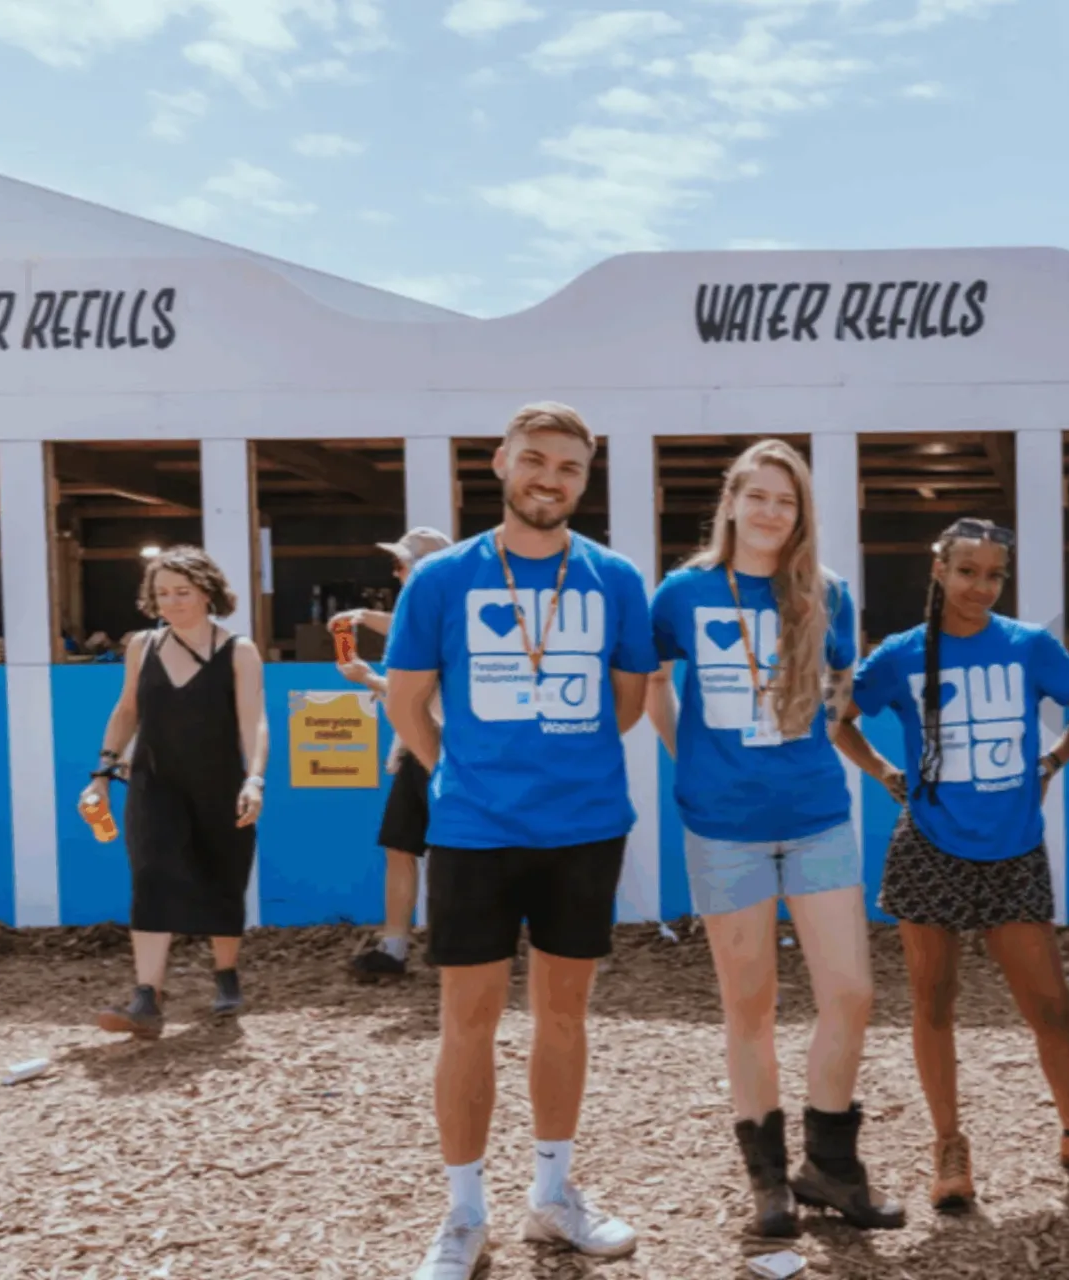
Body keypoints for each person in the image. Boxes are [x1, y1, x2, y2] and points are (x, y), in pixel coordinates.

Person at [384, 403, 657, 1280]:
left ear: (585, 479)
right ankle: (464, 1214)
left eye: (570, 468)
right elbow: (405, 701)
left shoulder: (614, 578)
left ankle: (552, 1197)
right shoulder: (442, 579)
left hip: (583, 829)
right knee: (466, 1023)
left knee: (564, 1017)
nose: (551, 479)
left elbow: (625, 703)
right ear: (502, 463)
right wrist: (460, 773)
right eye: (535, 460)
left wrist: (559, 769)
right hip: (474, 832)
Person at [832, 516, 1069, 1213]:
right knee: (934, 1005)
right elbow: (838, 715)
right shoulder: (903, 656)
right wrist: (882, 771)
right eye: (968, 571)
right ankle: (949, 1146)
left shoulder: (1030, 645)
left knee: (1052, 1008)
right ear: (938, 571)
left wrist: (1054, 763)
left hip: (1014, 851)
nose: (982, 586)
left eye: (995, 574)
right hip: (929, 849)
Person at [645, 439, 904, 1236]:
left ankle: (830, 1166)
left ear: (801, 514)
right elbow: (654, 680)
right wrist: (687, 759)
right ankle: (768, 1182)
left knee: (851, 994)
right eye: (756, 496)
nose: (769, 512)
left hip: (818, 816)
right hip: (725, 828)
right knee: (749, 1005)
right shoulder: (683, 592)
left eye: (785, 501)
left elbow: (836, 695)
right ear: (730, 502)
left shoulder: (826, 591)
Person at [83, 547, 269, 1038]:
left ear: (207, 592)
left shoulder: (238, 650)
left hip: (221, 783)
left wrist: (254, 778)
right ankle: (146, 997)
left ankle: (226, 974)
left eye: (182, 592)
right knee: (152, 875)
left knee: (221, 875)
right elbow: (127, 712)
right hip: (153, 781)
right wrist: (102, 773)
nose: (171, 602)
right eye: (162, 593)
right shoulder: (142, 646)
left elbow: (255, 722)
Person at [331, 526, 456, 980]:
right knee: (402, 847)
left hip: (444, 746)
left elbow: (417, 693)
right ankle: (398, 947)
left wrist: (367, 678)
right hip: (420, 745)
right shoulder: (430, 610)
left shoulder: (445, 614)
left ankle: (442, 943)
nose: (397, 570)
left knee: (438, 850)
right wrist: (363, 616)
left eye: (402, 563)